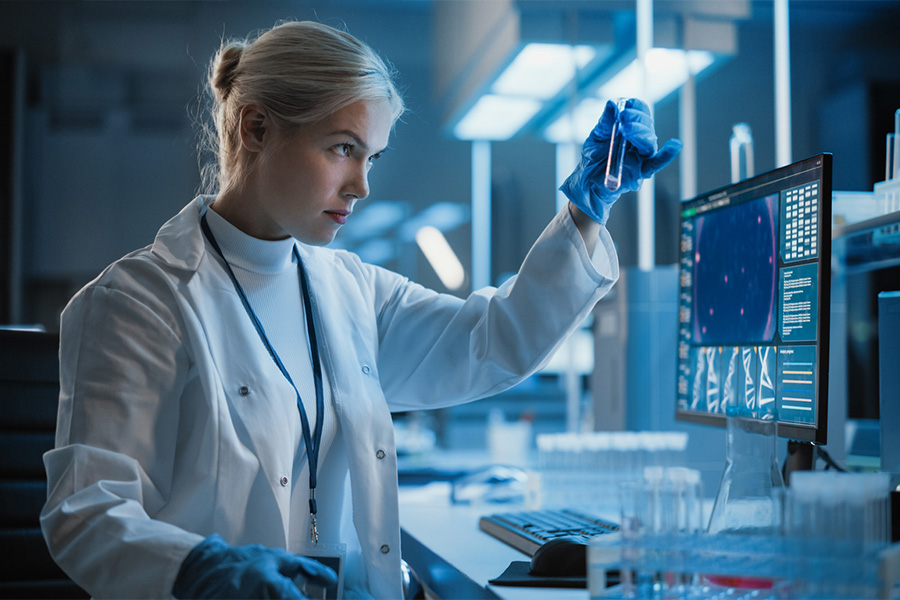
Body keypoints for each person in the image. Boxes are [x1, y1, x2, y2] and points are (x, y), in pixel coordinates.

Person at [40, 19, 681, 600]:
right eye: (342, 148)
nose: (363, 186)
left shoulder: (349, 288)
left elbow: (491, 340)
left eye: (370, 157)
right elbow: (88, 511)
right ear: (256, 127)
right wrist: (195, 567)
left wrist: (583, 214)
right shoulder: (138, 303)